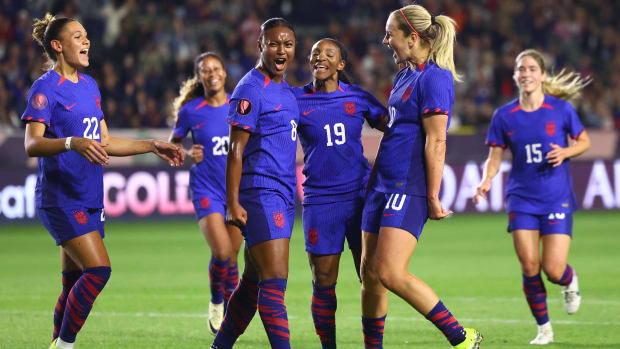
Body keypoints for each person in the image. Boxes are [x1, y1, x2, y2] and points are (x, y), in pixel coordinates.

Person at [24, 14, 184, 349]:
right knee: (98, 270)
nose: (87, 42)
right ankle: (65, 345)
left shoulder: (90, 86)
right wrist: (72, 142)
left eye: (86, 36)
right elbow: (32, 143)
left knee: (72, 284)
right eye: (78, 36)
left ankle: (57, 341)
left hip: (90, 196)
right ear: (58, 45)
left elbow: (105, 141)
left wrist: (152, 145)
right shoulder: (44, 89)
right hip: (61, 197)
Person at [359, 5, 483, 349]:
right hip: (380, 184)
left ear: (412, 36)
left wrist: (432, 195)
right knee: (369, 276)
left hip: (407, 185)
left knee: (389, 272)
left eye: (390, 34)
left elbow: (437, 140)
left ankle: (461, 337)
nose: (385, 41)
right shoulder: (404, 75)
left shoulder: (435, 77)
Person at [474, 49, 590, 345]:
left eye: (531, 69)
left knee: (553, 269)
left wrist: (566, 151)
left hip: (556, 197)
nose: (525, 73)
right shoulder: (503, 115)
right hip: (522, 198)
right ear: (514, 76)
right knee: (529, 266)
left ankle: (569, 279)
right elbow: (495, 156)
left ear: (542, 75)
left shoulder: (561, 110)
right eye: (520, 69)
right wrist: (487, 179)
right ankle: (544, 329)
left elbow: (584, 141)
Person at [292, 38, 387, 348]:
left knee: (371, 277)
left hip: (360, 198)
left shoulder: (358, 97)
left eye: (328, 54)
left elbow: (394, 127)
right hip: (321, 201)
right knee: (323, 281)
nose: (320, 57)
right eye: (315, 53)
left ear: (341, 64)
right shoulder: (295, 100)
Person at [210, 18, 299, 349]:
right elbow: (235, 150)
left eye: (287, 44)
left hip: (284, 195)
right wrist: (232, 202)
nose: (281, 50)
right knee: (274, 286)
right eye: (274, 43)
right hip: (262, 194)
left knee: (251, 285)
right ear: (260, 45)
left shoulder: (286, 90)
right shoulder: (249, 89)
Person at [168, 52, 243, 335]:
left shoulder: (241, 105)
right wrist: (187, 153)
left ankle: (230, 313)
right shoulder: (191, 111)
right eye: (205, 70)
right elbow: (172, 146)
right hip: (206, 188)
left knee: (234, 257)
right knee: (222, 252)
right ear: (199, 77)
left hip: (236, 190)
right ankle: (216, 300)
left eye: (216, 68)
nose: (211, 73)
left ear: (224, 72)